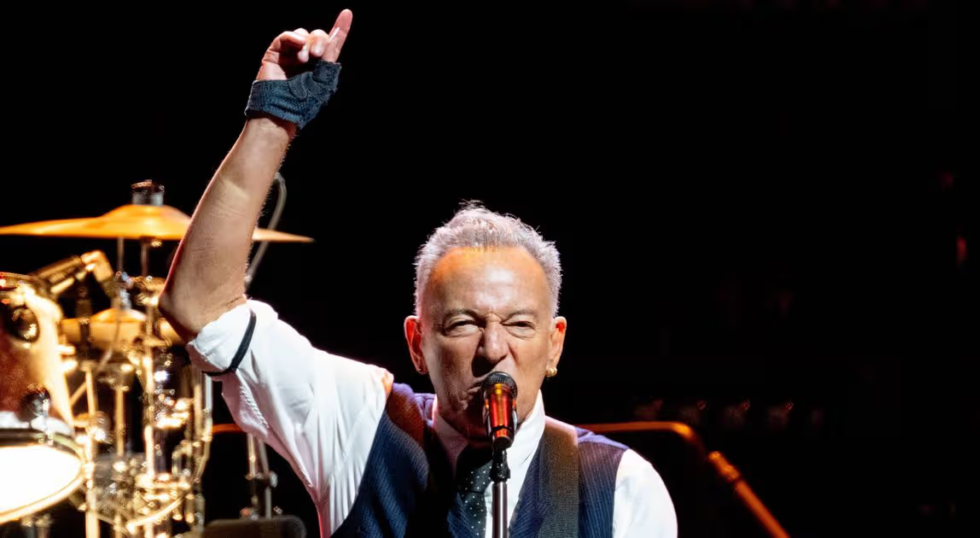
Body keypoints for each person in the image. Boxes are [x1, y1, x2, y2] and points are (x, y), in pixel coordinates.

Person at [160, 8, 677, 538]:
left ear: (555, 345)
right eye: (463, 323)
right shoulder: (361, 425)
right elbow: (200, 307)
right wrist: (272, 121)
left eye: (520, 324)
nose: (493, 348)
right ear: (416, 343)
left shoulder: (620, 488)